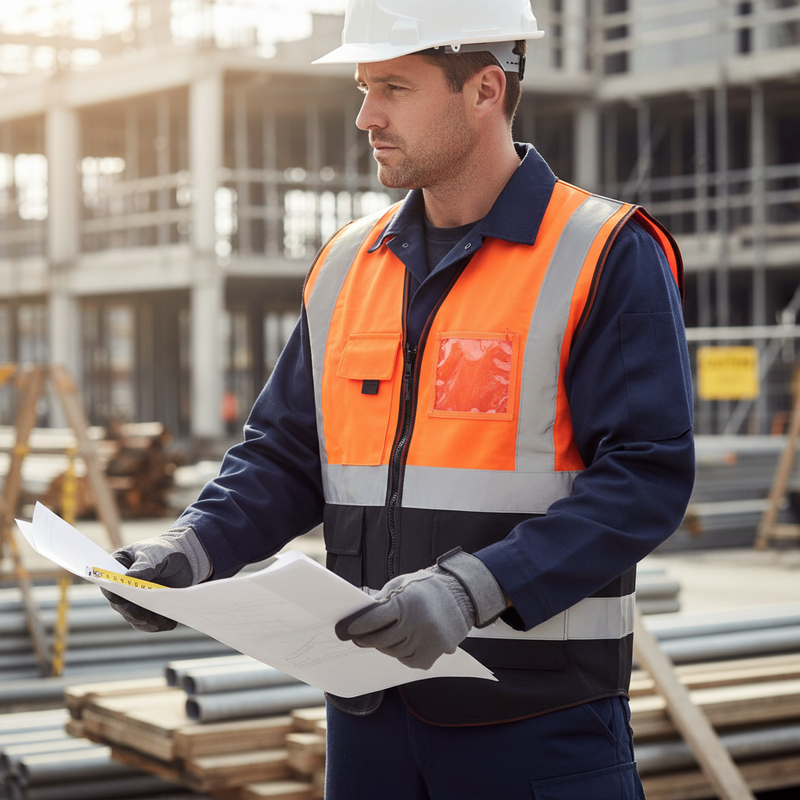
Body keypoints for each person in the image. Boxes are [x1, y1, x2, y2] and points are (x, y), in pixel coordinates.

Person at [103, 1, 695, 797]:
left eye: (393, 86)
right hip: (367, 718)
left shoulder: (603, 252)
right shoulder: (350, 261)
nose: (365, 115)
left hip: (536, 721)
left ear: (485, 89)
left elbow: (645, 479)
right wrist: (191, 549)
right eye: (362, 86)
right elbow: (286, 453)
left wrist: (470, 590)